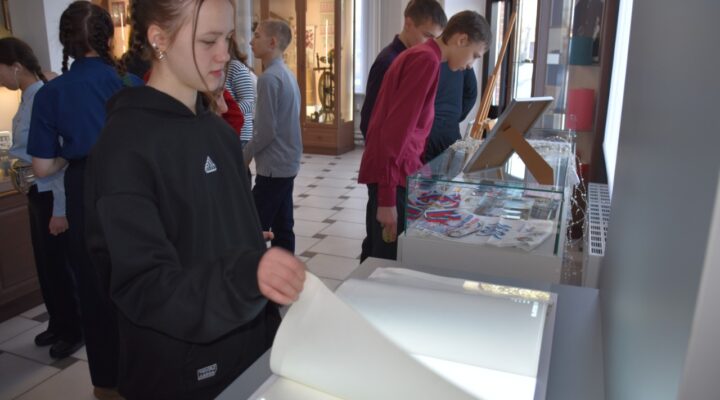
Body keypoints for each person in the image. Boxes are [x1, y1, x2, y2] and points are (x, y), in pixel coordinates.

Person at [84, 0, 305, 398]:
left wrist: (240, 240)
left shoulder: (218, 133)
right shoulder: (123, 147)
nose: (225, 55)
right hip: (181, 372)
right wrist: (246, 275)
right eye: (208, 41)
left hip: (251, 349)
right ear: (159, 39)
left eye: (227, 38)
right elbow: (144, 285)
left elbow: (205, 231)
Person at [26, 2, 143, 399]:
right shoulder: (131, 84)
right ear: (108, 37)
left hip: (84, 190)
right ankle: (146, 371)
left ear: (65, 42)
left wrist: (70, 153)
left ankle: (107, 383)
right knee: (138, 279)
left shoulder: (52, 93)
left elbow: (42, 168)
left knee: (93, 291)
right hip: (132, 187)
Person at [358, 11, 492, 262]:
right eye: (474, 56)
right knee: (385, 261)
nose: (470, 65)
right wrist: (387, 198)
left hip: (399, 173)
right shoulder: (426, 60)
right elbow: (395, 132)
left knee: (380, 254)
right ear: (461, 39)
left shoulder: (425, 56)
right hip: (392, 176)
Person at [0, 37, 82, 358]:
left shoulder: (43, 98)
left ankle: (73, 329)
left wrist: (60, 210)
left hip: (50, 194)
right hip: (35, 191)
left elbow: (60, 159)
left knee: (60, 266)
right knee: (46, 266)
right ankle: (58, 323)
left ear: (16, 66)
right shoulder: (27, 98)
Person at [244, 19, 302, 253]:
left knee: (252, 226)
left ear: (272, 42)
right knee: (283, 225)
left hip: (274, 167)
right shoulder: (286, 74)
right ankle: (284, 268)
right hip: (287, 162)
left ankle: (252, 272)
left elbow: (266, 130)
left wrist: (245, 155)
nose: (251, 41)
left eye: (257, 36)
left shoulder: (269, 79)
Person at [360, 0, 447, 140]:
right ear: (408, 24)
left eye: (435, 39)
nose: (431, 45)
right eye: (427, 36)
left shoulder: (418, 61)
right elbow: (368, 119)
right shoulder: (387, 62)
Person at [423, 63, 478, 162]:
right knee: (451, 168)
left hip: (427, 132)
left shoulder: (427, 59)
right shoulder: (462, 58)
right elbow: (471, 93)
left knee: (424, 169)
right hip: (450, 129)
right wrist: (455, 116)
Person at [225, 37, 256, 148]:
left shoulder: (235, 67)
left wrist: (226, 112)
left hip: (240, 134)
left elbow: (248, 102)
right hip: (226, 129)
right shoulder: (220, 68)